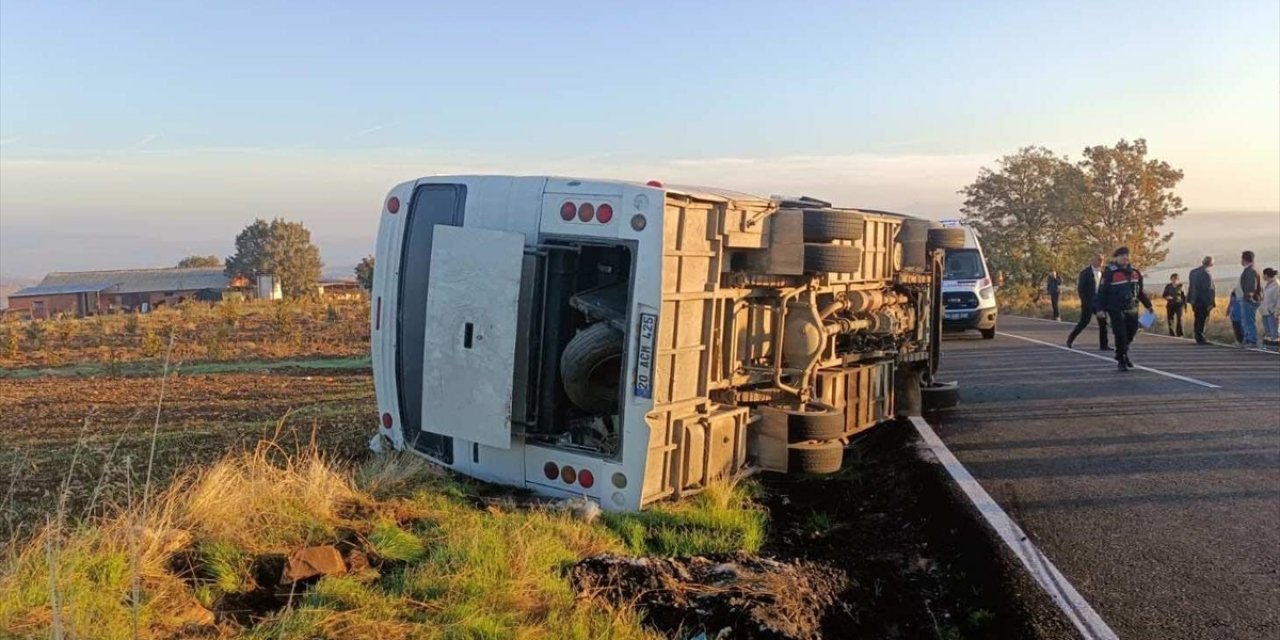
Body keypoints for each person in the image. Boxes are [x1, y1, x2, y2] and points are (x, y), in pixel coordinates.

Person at [1095, 247, 1153, 371]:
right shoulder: (1110, 273)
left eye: (1126, 255)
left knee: (1130, 334)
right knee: (1120, 335)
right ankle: (1121, 359)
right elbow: (1102, 293)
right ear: (1116, 258)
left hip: (1132, 309)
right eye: (1122, 256)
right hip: (1116, 309)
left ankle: (1122, 352)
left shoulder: (1135, 273)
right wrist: (1100, 309)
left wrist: (1149, 306)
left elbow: (1140, 293)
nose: (1125, 258)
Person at [1067, 253, 1110, 351]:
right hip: (1088, 302)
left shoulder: (1105, 272)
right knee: (1084, 322)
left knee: (1103, 323)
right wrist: (1086, 302)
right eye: (1098, 259)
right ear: (1093, 260)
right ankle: (1071, 338)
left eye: (1102, 260)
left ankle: (1104, 345)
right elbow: (1081, 290)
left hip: (1100, 302)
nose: (1101, 262)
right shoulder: (1085, 273)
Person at [1187, 256, 1216, 344]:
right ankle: (1201, 337)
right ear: (1211, 263)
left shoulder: (1193, 272)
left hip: (1194, 299)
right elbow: (1209, 289)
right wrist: (1210, 302)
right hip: (1203, 301)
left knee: (1197, 317)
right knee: (1203, 318)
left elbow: (1191, 286)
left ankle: (1197, 336)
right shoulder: (1206, 274)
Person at [1238, 250, 1263, 348]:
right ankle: (1248, 339)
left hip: (1250, 300)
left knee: (1249, 321)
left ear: (1244, 259)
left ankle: (1252, 340)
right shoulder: (1253, 269)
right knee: (1247, 320)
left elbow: (1250, 286)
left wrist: (1248, 296)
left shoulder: (1250, 271)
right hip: (1251, 299)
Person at [1261, 267, 1278, 348]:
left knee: (1273, 330)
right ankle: (1268, 346)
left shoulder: (1276, 285)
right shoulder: (1267, 284)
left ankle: (1275, 346)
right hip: (1265, 311)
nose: (1262, 277)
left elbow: (1278, 300)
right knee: (1268, 331)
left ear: (1266, 275)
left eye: (1263, 275)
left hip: (1272, 311)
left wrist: (1277, 311)